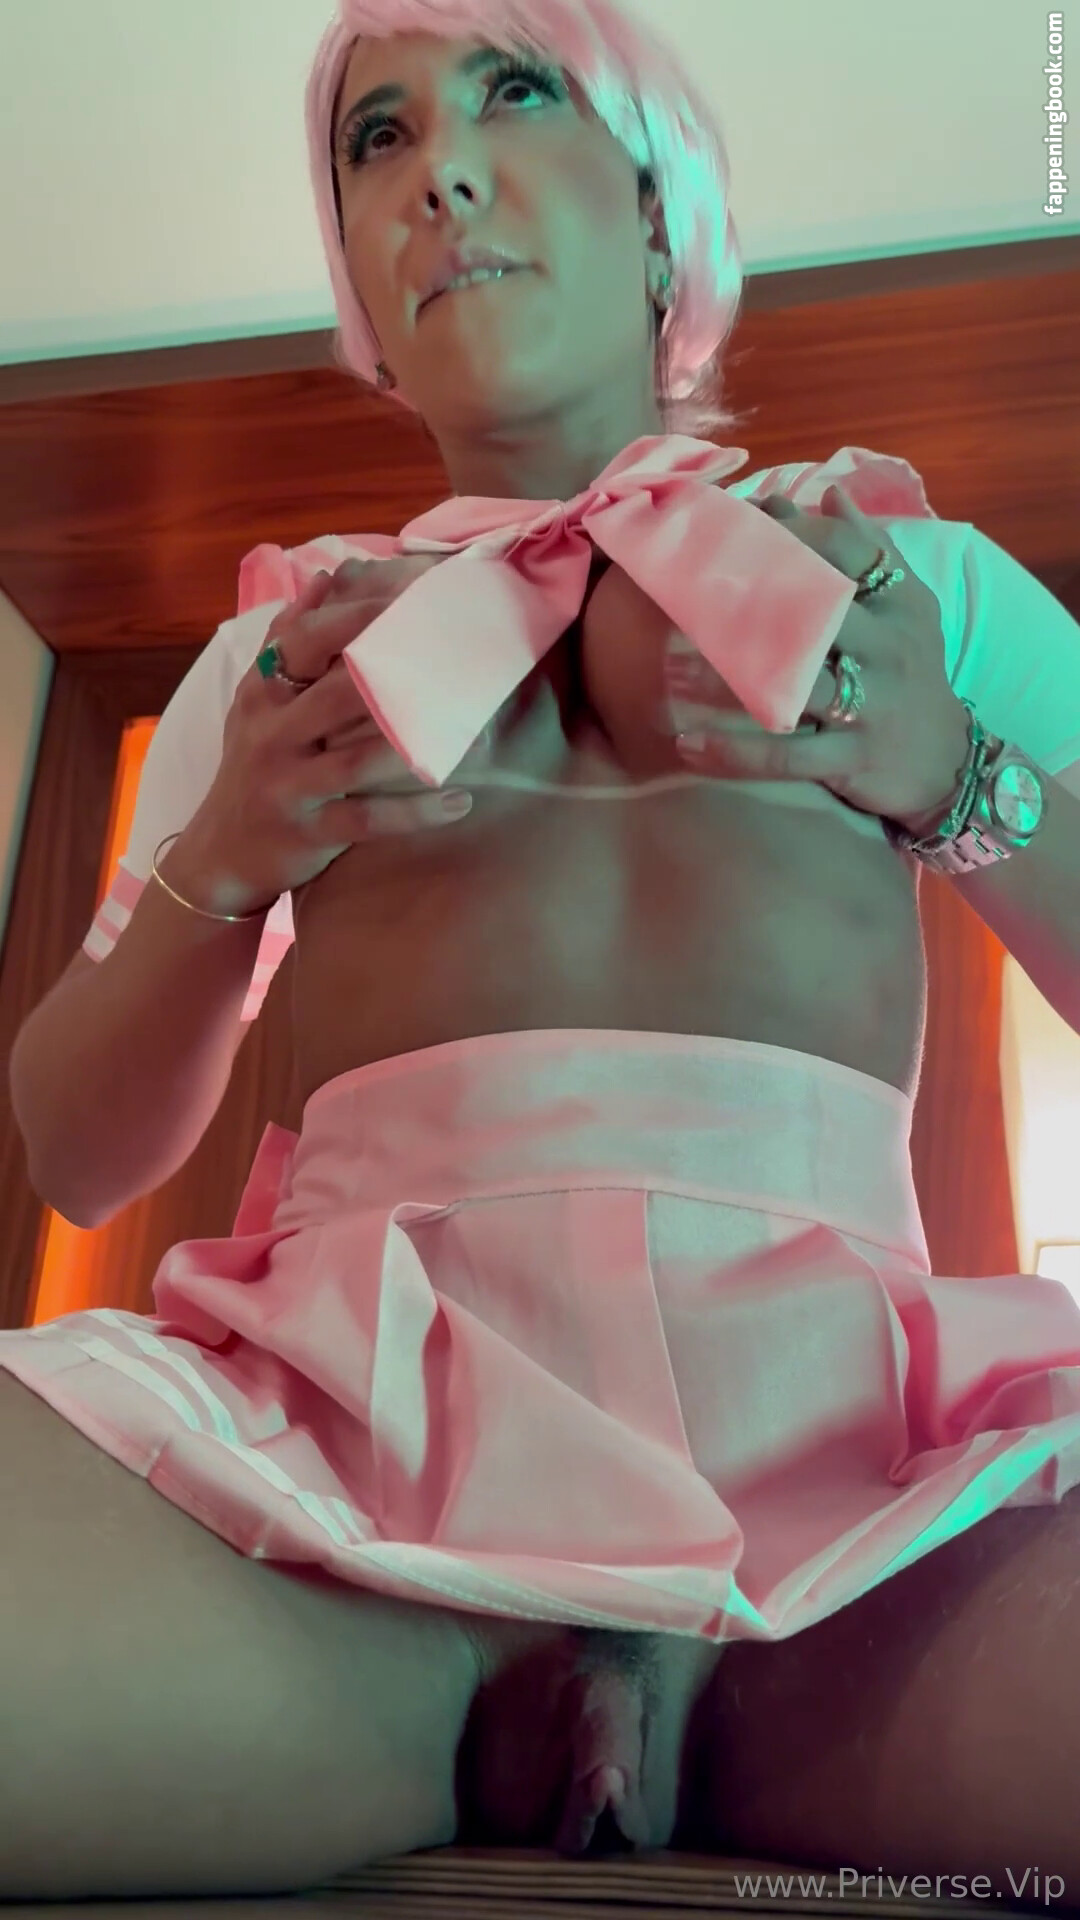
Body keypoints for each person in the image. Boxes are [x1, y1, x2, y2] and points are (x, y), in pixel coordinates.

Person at [4, 0, 1080, 1901]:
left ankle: (690, 1701)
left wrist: (953, 773)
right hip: (335, 1516)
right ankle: (448, 1696)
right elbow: (78, 1153)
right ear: (359, 275)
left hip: (848, 1538)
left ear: (662, 215)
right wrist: (228, 857)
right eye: (380, 137)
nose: (442, 172)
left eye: (512, 93)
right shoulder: (279, 661)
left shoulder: (910, 585)